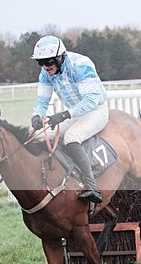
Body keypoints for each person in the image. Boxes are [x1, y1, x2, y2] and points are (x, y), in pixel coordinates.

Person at [30, 35, 108, 203]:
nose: (45, 67)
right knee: (38, 138)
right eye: (40, 63)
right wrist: (36, 115)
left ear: (60, 57)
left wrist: (64, 115)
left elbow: (90, 101)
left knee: (71, 138)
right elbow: (42, 100)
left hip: (96, 110)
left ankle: (92, 187)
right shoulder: (46, 73)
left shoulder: (81, 65)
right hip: (75, 113)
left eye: (48, 62)